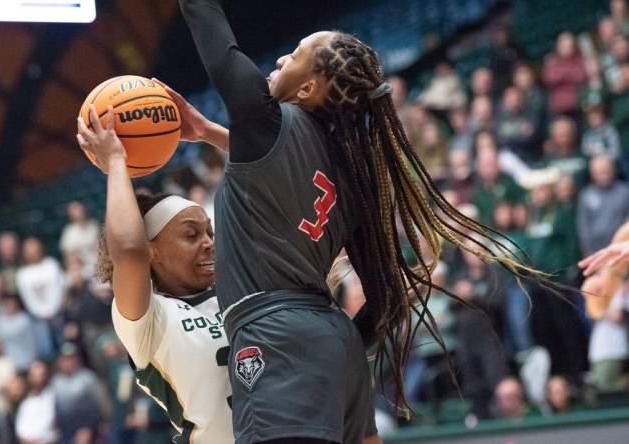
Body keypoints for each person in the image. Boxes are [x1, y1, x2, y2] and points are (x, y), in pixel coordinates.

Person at [176, 1, 542, 442]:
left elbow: (209, 26)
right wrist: (335, 347)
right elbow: (389, 299)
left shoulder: (265, 122)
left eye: (294, 56)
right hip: (334, 343)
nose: (279, 59)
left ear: (309, 88)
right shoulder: (353, 172)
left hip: (273, 334)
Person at [76, 104, 233, 443]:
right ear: (152, 251)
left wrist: (209, 133)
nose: (208, 243)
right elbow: (128, 251)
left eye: (210, 232)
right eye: (192, 235)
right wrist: (116, 162)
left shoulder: (240, 284)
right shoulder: (149, 319)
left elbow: (290, 184)